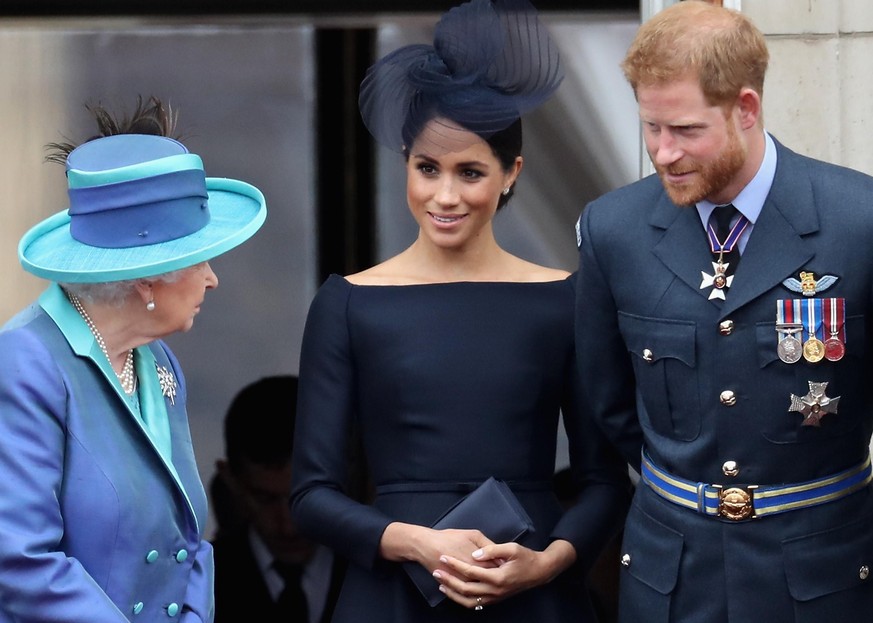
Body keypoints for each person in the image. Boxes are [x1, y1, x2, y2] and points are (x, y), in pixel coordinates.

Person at [290, 1, 631, 621]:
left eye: (469, 171)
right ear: (406, 167)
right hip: (392, 594)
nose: (444, 195)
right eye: (427, 168)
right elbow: (312, 495)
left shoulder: (566, 297)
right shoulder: (348, 302)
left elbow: (604, 481)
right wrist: (417, 541)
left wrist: (549, 561)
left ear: (510, 174)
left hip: (532, 593)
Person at [574, 2, 873, 621]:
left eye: (684, 131)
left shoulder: (859, 220)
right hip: (673, 577)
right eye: (650, 128)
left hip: (822, 576)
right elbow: (608, 403)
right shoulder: (614, 229)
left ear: (745, 109)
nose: (662, 153)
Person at [0, 97, 266, 622]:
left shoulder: (156, 359)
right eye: (199, 258)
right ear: (149, 275)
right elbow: (18, 561)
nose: (212, 278)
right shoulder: (25, 363)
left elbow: (186, 543)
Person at [211, 375, 343, 623]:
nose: (288, 526)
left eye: (303, 498)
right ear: (231, 480)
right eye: (265, 499)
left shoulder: (382, 578)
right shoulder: (198, 583)